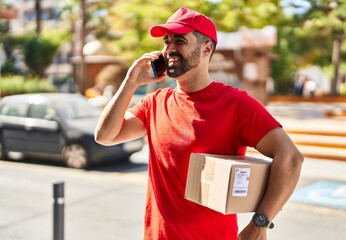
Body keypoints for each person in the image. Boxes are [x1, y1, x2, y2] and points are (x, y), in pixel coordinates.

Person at [95, 7, 303, 240]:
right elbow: (105, 136)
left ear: (206, 49)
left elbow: (291, 158)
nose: (169, 48)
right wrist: (131, 81)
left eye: (180, 41)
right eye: (166, 41)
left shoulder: (236, 104)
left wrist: (260, 223)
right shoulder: (154, 103)